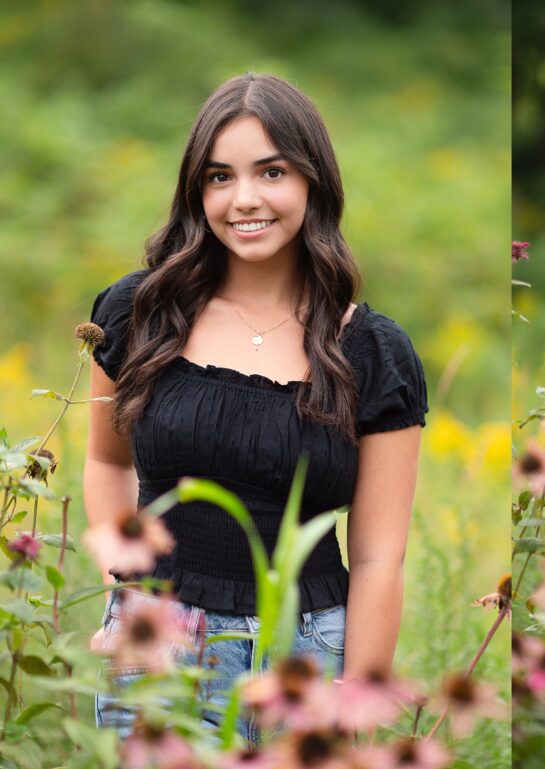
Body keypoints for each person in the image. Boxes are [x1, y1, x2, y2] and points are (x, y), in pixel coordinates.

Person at [83, 73, 428, 742]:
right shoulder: (139, 313)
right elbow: (104, 462)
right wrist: (128, 597)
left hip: (306, 656)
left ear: (313, 182)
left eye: (271, 171)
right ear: (196, 191)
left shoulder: (375, 354)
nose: (244, 199)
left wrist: (351, 713)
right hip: (160, 647)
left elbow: (381, 557)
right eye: (219, 177)